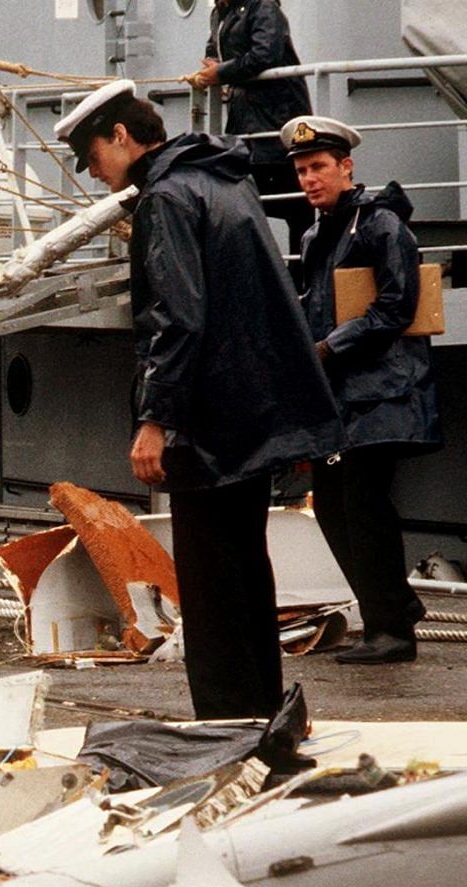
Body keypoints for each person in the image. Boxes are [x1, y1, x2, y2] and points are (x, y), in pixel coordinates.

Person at [56, 81, 341, 719]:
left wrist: (157, 420)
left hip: (206, 421)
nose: (95, 174)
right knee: (245, 568)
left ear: (121, 137)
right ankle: (260, 712)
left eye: (93, 156)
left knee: (210, 583)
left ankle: (224, 723)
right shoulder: (224, 179)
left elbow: (175, 317)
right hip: (253, 414)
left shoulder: (165, 197)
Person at [285, 116, 441, 664]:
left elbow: (397, 305)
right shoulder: (314, 235)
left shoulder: (381, 226)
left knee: (365, 504)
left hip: (382, 394)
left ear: (346, 167)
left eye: (319, 167)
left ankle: (391, 633)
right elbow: (312, 307)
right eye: (302, 170)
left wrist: (329, 348)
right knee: (330, 505)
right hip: (339, 399)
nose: (310, 178)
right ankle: (394, 605)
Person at [190, 0, 315, 260]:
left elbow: (265, 54)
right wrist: (212, 65)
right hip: (246, 121)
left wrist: (221, 73)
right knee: (248, 200)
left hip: (276, 118)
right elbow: (215, 47)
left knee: (296, 204)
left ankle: (301, 274)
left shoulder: (263, 7)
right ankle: (269, 273)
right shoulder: (220, 12)